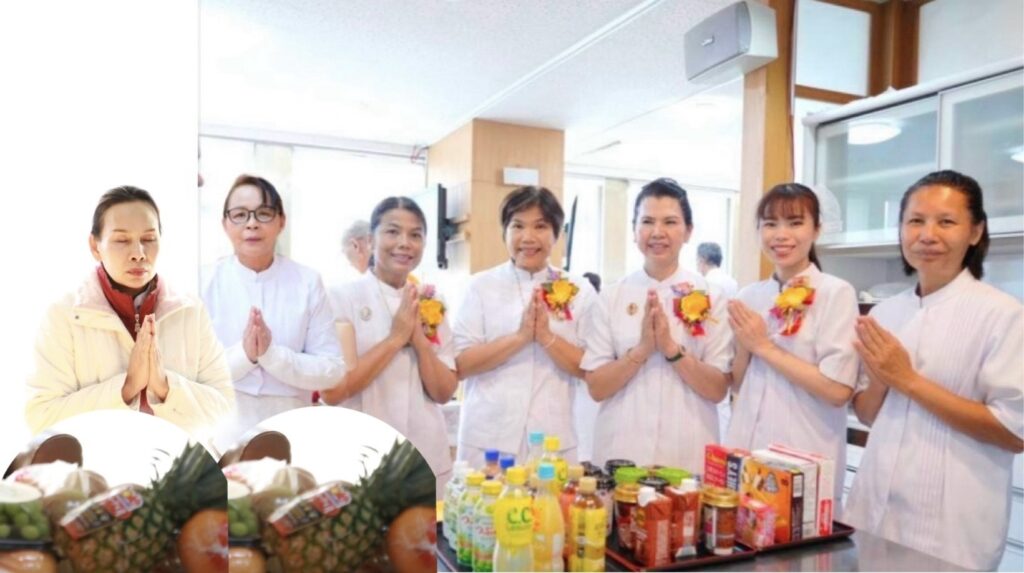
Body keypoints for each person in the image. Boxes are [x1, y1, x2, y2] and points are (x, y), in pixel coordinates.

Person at [845, 170, 1023, 570]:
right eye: (915, 220)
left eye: (946, 221)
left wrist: (907, 380)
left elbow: (1013, 432)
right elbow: (870, 415)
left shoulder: (1003, 315)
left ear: (975, 232)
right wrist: (881, 380)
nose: (927, 235)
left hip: (951, 530)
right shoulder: (887, 312)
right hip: (874, 510)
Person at [26, 186, 234, 436]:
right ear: (95, 246)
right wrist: (126, 387)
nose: (138, 254)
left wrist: (165, 386)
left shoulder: (190, 310)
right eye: (121, 240)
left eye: (149, 239)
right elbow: (42, 417)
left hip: (178, 460)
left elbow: (225, 411)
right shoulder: (64, 315)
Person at [582, 178, 732, 471]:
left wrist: (670, 349)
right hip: (622, 448)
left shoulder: (711, 297)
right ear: (634, 230)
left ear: (688, 231)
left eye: (670, 222)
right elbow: (597, 387)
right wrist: (641, 350)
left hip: (688, 448)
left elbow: (717, 389)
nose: (657, 232)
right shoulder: (611, 297)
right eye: (647, 221)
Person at [724, 183, 858, 508]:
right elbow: (739, 382)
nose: (781, 235)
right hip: (747, 447)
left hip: (804, 452)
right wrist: (746, 346)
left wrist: (763, 346)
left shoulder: (835, 293)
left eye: (795, 223)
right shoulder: (749, 296)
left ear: (817, 229)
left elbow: (837, 390)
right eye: (770, 224)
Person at [453, 186, 598, 469]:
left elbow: (590, 367)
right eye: (517, 226)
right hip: (487, 438)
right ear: (505, 232)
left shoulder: (580, 290)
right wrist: (520, 338)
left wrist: (546, 338)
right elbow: (461, 364)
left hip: (553, 440)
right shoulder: (480, 286)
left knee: (552, 500)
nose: (528, 237)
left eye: (540, 226)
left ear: (556, 233)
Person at [321, 197, 457, 498]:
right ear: (370, 241)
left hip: (424, 454)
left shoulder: (431, 301)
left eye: (415, 235)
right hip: (362, 457)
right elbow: (333, 391)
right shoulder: (340, 298)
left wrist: (419, 341)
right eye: (393, 232)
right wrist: (396, 338)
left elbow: (445, 391)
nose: (404, 243)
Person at [203, 175, 344, 449]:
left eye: (264, 213)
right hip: (221, 430)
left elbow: (332, 370)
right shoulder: (203, 282)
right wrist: (245, 355)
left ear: (281, 221)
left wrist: (271, 355)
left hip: (293, 428)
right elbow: (191, 374)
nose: (252, 223)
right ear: (225, 224)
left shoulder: (308, 282)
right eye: (240, 215)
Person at [696, 241, 738, 439]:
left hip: (712, 337)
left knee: (715, 400)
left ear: (702, 260)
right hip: (730, 338)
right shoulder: (731, 281)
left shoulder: (706, 284)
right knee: (724, 400)